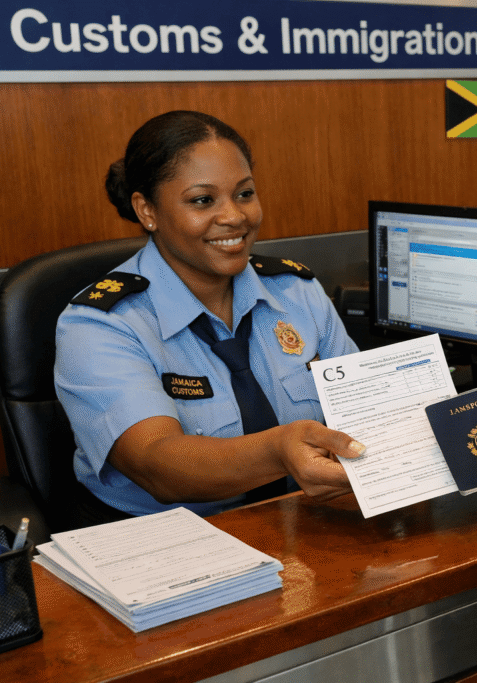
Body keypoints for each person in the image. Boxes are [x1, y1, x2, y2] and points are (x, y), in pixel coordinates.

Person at [55, 110, 365, 521]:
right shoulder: (100, 325)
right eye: (203, 200)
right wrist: (278, 450)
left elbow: (365, 407)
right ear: (147, 210)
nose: (234, 217)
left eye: (244, 194)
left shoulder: (296, 291)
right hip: (165, 540)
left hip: (305, 518)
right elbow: (157, 464)